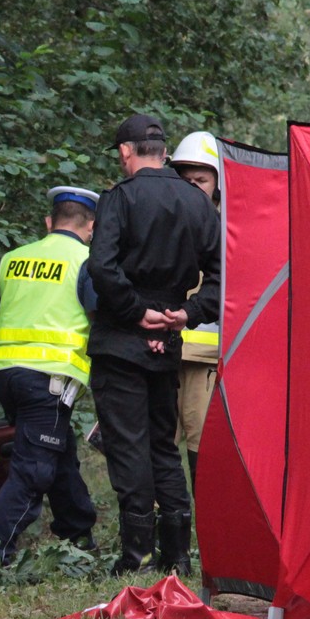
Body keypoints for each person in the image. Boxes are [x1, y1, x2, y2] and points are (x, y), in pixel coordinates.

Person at [87, 114, 221, 576]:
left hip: (121, 340)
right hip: (170, 334)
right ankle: (179, 556)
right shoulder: (200, 205)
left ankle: (137, 557)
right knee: (164, 446)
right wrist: (188, 313)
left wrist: (133, 310)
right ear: (163, 152)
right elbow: (225, 278)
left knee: (128, 446)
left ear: (126, 152)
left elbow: (102, 268)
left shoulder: (119, 199)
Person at [0, 185, 100, 568]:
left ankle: (77, 535)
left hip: (4, 375)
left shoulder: (13, 258)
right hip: (50, 379)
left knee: (56, 449)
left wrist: (17, 355)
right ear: (91, 226)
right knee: (34, 470)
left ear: (49, 222)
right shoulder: (87, 261)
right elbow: (99, 320)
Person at [168, 131, 223, 486]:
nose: (192, 187)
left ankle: (206, 527)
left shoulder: (232, 228)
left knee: (203, 443)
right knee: (158, 445)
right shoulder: (163, 218)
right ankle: (161, 529)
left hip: (208, 360)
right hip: (165, 350)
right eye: (185, 179)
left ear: (218, 184)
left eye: (200, 180)